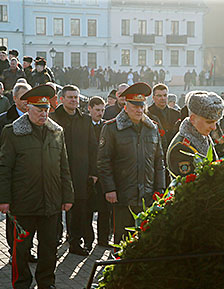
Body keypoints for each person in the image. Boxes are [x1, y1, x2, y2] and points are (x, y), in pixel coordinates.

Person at [0, 84, 74, 289]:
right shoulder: (12, 132)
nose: (43, 113)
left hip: (51, 201)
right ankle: (22, 284)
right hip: (24, 202)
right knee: (22, 248)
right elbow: (3, 168)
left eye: (46, 109)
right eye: (39, 109)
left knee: (49, 246)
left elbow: (64, 167)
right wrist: (3, 199)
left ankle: (46, 281)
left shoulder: (57, 132)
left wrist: (67, 197)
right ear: (28, 108)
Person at [97, 82, 165, 244]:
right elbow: (103, 161)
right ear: (125, 106)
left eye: (141, 106)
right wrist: (110, 189)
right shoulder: (112, 128)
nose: (139, 110)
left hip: (147, 195)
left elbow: (159, 160)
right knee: (122, 239)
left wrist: (160, 188)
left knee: (145, 239)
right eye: (135, 106)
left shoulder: (152, 128)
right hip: (123, 194)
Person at [50, 85, 98, 256]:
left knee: (78, 210)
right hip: (56, 172)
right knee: (55, 209)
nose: (74, 100)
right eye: (70, 97)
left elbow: (93, 147)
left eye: (76, 97)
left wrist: (93, 172)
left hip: (80, 172)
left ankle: (75, 242)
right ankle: (53, 241)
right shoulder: (52, 118)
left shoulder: (85, 120)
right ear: (61, 99)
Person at [0, 82, 36, 263]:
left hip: (33, 176)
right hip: (13, 176)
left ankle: (27, 250)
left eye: (29, 98)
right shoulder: (3, 120)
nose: (26, 102)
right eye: (22, 98)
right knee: (14, 218)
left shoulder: (36, 117)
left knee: (32, 217)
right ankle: (14, 251)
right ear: (14, 99)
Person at [167, 91, 224, 177]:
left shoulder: (203, 137)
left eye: (216, 122)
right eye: (209, 122)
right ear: (193, 119)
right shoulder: (181, 148)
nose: (214, 127)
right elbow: (192, 185)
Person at [88, 96, 111, 246]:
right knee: (88, 210)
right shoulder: (84, 126)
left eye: (102, 110)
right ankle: (88, 240)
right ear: (89, 109)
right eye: (97, 110)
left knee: (105, 210)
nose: (100, 113)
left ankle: (103, 239)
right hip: (89, 175)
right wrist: (91, 173)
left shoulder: (107, 126)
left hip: (104, 175)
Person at [147, 83, 181, 153]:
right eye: (159, 96)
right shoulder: (148, 113)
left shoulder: (176, 114)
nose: (162, 98)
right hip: (155, 151)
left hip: (172, 151)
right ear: (153, 98)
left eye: (165, 95)